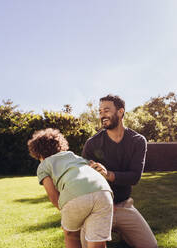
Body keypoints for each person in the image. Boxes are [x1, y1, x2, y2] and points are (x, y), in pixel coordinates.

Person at [82, 94, 158, 248]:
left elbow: (134, 177)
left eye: (107, 110)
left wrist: (108, 174)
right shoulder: (92, 143)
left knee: (151, 246)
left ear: (120, 112)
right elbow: (83, 180)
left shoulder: (137, 140)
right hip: (97, 209)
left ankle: (124, 232)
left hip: (124, 206)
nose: (102, 115)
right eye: (100, 111)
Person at [27, 128, 113, 248]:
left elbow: (53, 195)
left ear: (39, 154)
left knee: (71, 234)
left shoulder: (43, 165)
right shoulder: (74, 156)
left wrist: (65, 211)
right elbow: (92, 166)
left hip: (75, 196)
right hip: (104, 191)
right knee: (97, 240)